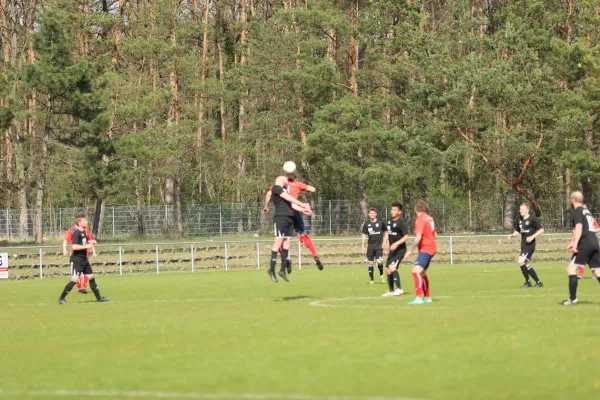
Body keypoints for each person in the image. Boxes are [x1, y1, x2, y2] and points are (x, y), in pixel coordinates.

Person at [263, 173, 324, 272]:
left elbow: (269, 193)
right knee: (303, 234)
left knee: (281, 240)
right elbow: (313, 189)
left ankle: (286, 259)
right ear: (295, 178)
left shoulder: (279, 187)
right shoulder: (298, 184)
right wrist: (302, 187)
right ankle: (315, 256)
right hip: (295, 212)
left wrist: (266, 206)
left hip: (285, 213)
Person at [267, 176, 312, 283]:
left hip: (289, 218)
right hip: (280, 218)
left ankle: (282, 270)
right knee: (278, 243)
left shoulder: (284, 191)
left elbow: (291, 204)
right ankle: (271, 269)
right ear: (281, 180)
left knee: (287, 243)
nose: (288, 183)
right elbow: (288, 198)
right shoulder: (276, 188)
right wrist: (301, 203)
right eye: (286, 181)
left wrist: (302, 210)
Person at [58, 215, 109, 304]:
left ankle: (99, 298)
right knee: (74, 279)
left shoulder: (84, 232)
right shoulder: (76, 233)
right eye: (85, 221)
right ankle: (61, 298)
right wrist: (87, 246)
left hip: (84, 260)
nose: (87, 222)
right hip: (76, 260)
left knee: (91, 277)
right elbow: (74, 246)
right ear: (80, 223)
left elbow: (84, 242)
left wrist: (91, 242)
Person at [561, 192, 600, 305]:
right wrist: (571, 241)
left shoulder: (577, 211)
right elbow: (584, 228)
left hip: (585, 244)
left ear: (572, 200)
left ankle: (572, 299)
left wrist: (575, 244)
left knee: (571, 269)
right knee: (597, 272)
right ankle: (572, 299)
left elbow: (579, 227)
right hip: (594, 242)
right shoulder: (586, 211)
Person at [405, 200, 436, 305]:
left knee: (416, 271)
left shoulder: (420, 219)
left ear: (415, 209)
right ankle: (427, 297)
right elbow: (434, 234)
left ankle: (418, 297)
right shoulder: (429, 217)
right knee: (422, 273)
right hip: (431, 247)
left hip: (426, 248)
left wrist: (409, 250)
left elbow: (418, 237)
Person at [507, 203, 544, 288]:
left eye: (522, 209)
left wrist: (532, 236)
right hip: (523, 245)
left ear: (527, 210)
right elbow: (518, 231)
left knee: (520, 261)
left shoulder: (532, 219)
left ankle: (528, 282)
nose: (521, 211)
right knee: (527, 264)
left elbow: (542, 230)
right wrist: (512, 235)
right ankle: (538, 282)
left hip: (530, 245)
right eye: (520, 209)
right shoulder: (520, 219)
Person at [381, 203, 409, 297]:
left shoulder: (402, 223)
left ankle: (399, 289)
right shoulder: (389, 222)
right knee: (388, 270)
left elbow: (406, 236)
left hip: (400, 250)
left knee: (392, 267)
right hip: (392, 251)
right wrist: (385, 242)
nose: (392, 211)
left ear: (399, 212)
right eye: (391, 209)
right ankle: (391, 291)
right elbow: (388, 233)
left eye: (394, 210)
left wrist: (396, 243)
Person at [63, 223, 95, 294]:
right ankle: (79, 287)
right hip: (76, 256)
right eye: (84, 220)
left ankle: (83, 287)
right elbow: (66, 240)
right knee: (76, 275)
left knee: (86, 273)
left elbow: (90, 240)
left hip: (85, 255)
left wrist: (93, 251)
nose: (86, 222)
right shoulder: (72, 230)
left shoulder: (86, 229)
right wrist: (64, 249)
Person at [361, 208, 387, 284]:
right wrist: (363, 246)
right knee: (370, 263)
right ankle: (372, 280)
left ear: (376, 214)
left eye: (373, 213)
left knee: (379, 261)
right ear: (369, 214)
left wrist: (386, 241)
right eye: (370, 213)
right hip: (370, 246)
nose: (372, 214)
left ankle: (381, 274)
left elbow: (386, 231)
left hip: (379, 246)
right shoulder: (366, 224)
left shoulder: (381, 222)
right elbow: (364, 235)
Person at [578, 204, 600, 279]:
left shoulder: (592, 219)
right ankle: (581, 275)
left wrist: (591, 231)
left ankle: (595, 274)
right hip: (582, 241)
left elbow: (598, 228)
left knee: (593, 258)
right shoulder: (579, 220)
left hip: (590, 241)